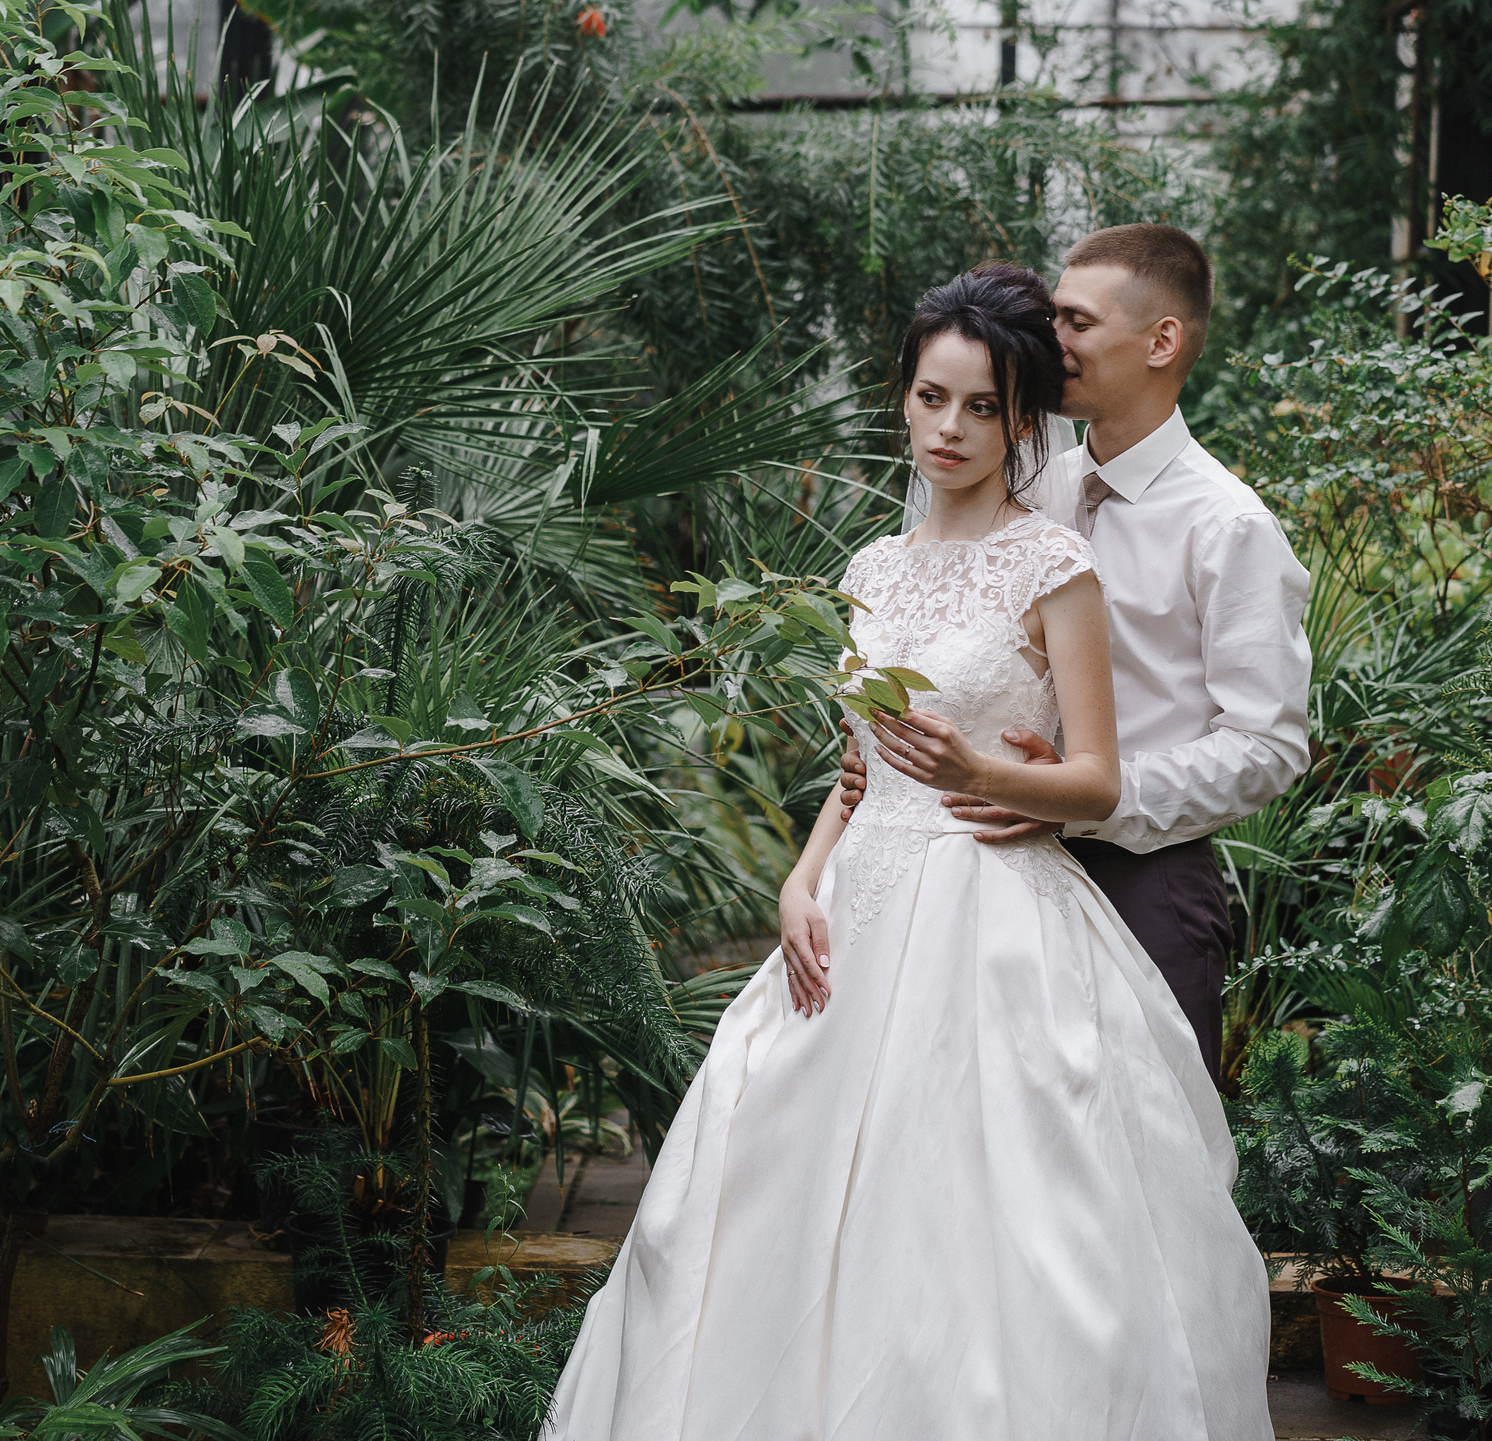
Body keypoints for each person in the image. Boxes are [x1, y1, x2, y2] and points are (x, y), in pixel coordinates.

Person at [539, 263, 1272, 1441]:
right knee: (761, 1193)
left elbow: (1092, 775)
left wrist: (986, 776)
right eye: (932, 397)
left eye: (982, 407)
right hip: (852, 908)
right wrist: (796, 877)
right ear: (902, 395)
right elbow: (855, 770)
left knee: (980, 1220)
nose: (950, 427)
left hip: (993, 908)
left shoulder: (1053, 566)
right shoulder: (867, 570)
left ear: (1021, 420)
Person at [839, 224, 1313, 1080]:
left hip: (1145, 876)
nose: (1049, 341)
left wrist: (1084, 800)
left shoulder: (1228, 525)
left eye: (1076, 321)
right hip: (974, 874)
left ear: (1162, 340)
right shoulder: (1024, 485)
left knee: (1137, 1163)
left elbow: (1270, 745)